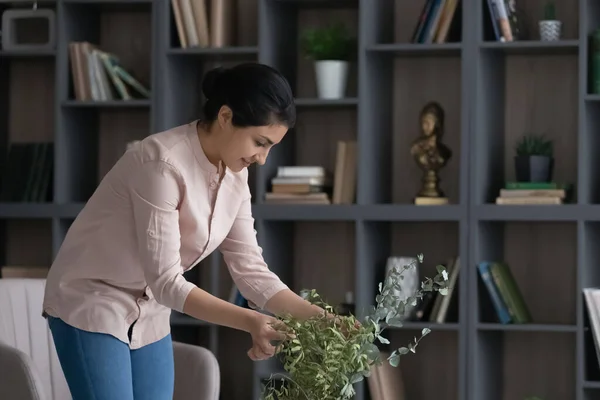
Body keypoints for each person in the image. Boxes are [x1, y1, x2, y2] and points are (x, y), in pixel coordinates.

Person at [42, 62, 330, 400]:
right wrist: (251, 321)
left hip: (149, 308)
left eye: (270, 147)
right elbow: (166, 281)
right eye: (260, 142)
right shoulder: (161, 163)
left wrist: (323, 320)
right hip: (91, 298)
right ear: (225, 116)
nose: (263, 159)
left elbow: (251, 271)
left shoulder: (236, 175)